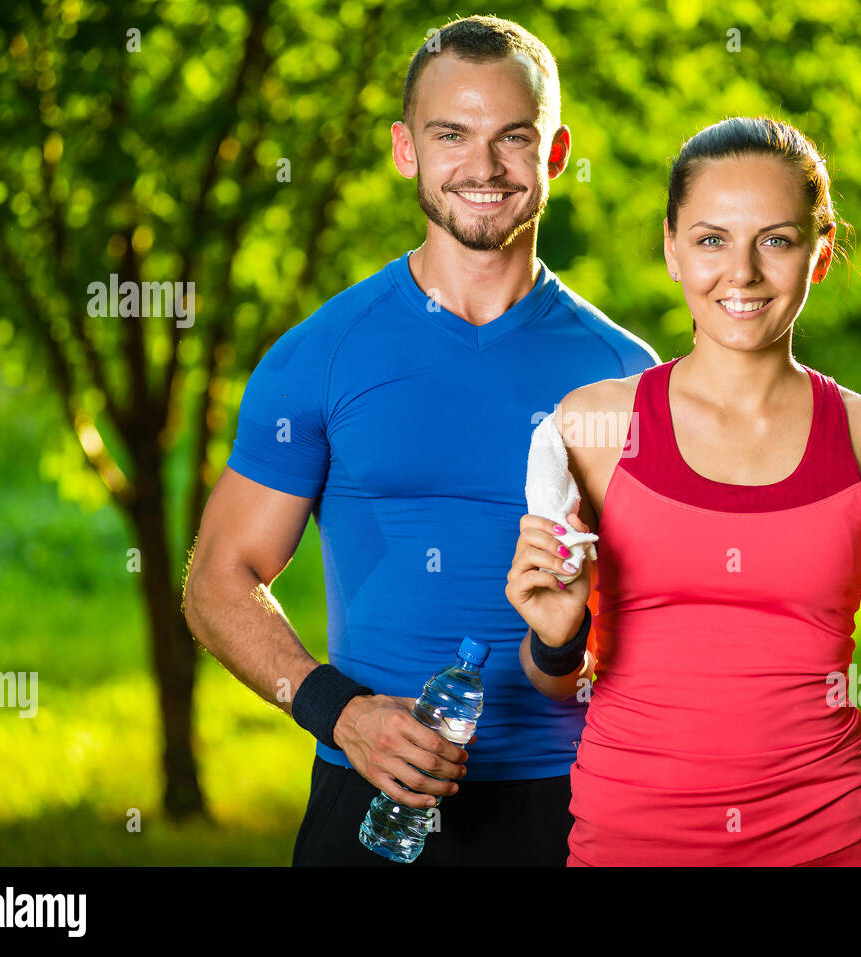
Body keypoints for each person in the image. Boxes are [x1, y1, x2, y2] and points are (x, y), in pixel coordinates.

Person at [183, 15, 658, 867]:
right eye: (452, 136)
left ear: (555, 153)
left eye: (514, 138)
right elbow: (218, 579)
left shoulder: (625, 373)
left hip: (577, 802)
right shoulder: (319, 356)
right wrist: (341, 711)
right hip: (368, 795)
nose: (482, 168)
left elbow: (662, 613)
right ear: (406, 148)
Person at [506, 116, 861, 866]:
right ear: (671, 248)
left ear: (821, 253)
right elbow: (555, 681)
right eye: (712, 239)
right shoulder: (587, 427)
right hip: (628, 845)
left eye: (777, 240)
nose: (743, 273)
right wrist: (556, 639)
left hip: (831, 842)